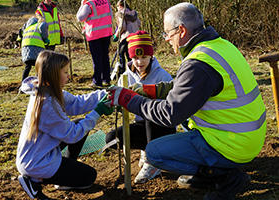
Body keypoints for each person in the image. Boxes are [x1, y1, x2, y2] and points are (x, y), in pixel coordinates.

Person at [106, 2, 266, 200]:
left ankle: (223, 176)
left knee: (155, 153)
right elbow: (189, 89)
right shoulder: (220, 46)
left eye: (167, 34)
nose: (166, 40)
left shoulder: (198, 63)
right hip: (248, 136)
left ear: (181, 30)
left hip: (231, 144)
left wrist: (130, 99)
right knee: (182, 120)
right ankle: (217, 169)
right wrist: (153, 90)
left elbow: (170, 114)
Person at [16, 50, 113, 200]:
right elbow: (73, 135)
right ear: (54, 74)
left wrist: (106, 94)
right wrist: (98, 112)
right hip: (35, 163)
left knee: (79, 123)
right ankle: (34, 181)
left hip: (38, 154)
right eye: (65, 72)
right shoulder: (46, 104)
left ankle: (65, 171)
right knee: (89, 177)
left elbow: (77, 103)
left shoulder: (49, 90)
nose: (69, 75)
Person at [105, 30, 175, 184]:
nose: (140, 62)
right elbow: (118, 99)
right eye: (135, 58)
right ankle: (147, 148)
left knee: (150, 110)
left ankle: (154, 161)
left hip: (163, 126)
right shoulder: (125, 77)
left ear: (151, 56)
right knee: (112, 139)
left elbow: (172, 106)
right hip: (142, 125)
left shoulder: (163, 76)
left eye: (144, 57)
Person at [76, 0, 113, 87]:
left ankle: (97, 81)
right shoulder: (106, 2)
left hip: (94, 34)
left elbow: (80, 18)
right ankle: (106, 79)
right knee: (105, 56)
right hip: (106, 32)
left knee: (97, 59)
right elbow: (110, 15)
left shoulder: (89, 4)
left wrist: (82, 5)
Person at [113, 0, 140, 76]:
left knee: (121, 54)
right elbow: (139, 23)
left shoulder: (120, 13)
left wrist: (116, 35)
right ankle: (133, 71)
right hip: (135, 36)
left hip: (126, 37)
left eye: (117, 7)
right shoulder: (134, 13)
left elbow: (122, 26)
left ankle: (122, 73)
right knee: (131, 55)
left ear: (120, 6)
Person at [19, 17, 49, 81]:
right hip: (37, 48)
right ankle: (39, 81)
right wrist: (45, 38)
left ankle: (23, 82)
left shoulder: (26, 29)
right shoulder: (37, 25)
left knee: (28, 66)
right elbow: (43, 26)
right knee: (40, 65)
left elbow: (20, 33)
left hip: (25, 50)